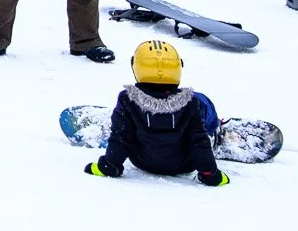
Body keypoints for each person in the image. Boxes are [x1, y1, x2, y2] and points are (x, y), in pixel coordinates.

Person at [82, 41, 227, 185]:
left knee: (124, 126)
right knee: (203, 101)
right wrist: (210, 174)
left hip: (143, 161)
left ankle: (122, 122)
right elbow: (198, 142)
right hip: (184, 164)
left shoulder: (127, 100)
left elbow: (121, 138)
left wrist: (108, 166)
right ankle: (214, 129)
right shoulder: (192, 102)